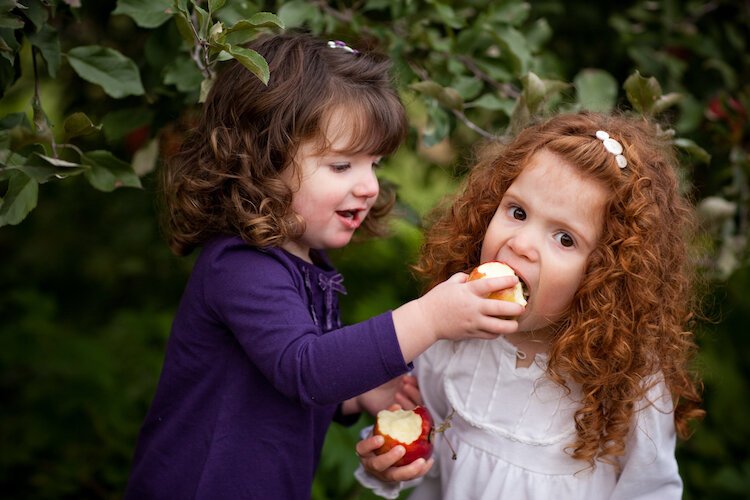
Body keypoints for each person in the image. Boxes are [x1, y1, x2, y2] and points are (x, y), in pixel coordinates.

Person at [124, 32, 524, 500]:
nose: (370, 186)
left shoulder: (305, 261)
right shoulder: (239, 265)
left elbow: (283, 373)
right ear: (261, 162)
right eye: (341, 166)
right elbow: (306, 368)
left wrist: (356, 395)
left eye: (373, 164)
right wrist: (430, 317)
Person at [354, 111, 705, 499]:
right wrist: (393, 467)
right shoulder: (450, 337)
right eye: (517, 212)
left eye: (565, 239)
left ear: (606, 275)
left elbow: (651, 491)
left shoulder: (626, 383)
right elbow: (432, 449)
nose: (521, 244)